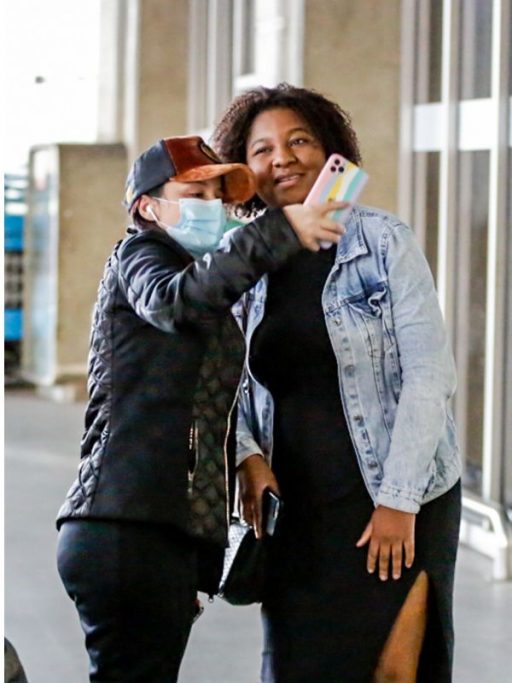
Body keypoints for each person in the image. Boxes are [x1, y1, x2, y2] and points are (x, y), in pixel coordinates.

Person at [53, 135, 346, 682]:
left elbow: (197, 395)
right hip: (124, 526)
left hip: (161, 533)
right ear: (148, 206)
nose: (211, 204)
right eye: (195, 191)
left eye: (217, 194)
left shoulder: (199, 277)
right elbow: (174, 302)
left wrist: (244, 457)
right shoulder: (140, 256)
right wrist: (278, 230)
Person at [211, 83, 461, 683]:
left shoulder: (383, 240)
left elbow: (430, 372)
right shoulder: (239, 258)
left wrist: (399, 501)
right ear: (246, 171)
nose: (284, 158)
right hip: (295, 511)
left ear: (330, 152)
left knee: (394, 673)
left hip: (398, 493)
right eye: (264, 149)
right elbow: (220, 380)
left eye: (299, 141)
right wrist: (245, 456)